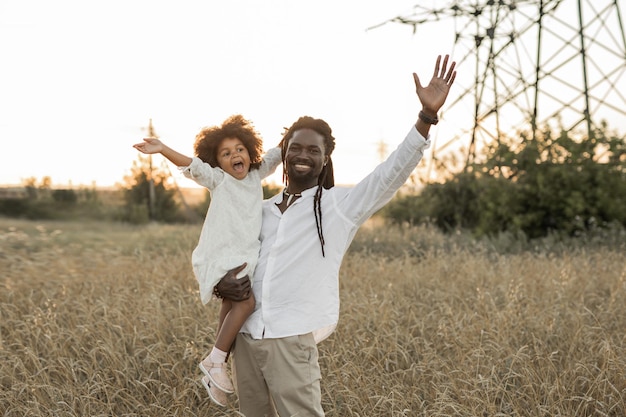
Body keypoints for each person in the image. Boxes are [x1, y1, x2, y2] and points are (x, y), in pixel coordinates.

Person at [212, 54, 457, 416]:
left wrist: (426, 118)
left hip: (291, 340)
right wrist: (221, 284)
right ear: (284, 152)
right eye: (295, 147)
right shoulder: (258, 209)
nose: (302, 155)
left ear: (324, 159)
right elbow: (226, 254)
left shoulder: (338, 207)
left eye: (314, 150)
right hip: (246, 338)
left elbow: (389, 174)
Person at [132, 115, 282, 407]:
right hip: (222, 254)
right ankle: (216, 360)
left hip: (242, 255)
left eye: (239, 149)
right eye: (225, 154)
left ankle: (216, 366)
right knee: (247, 303)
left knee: (232, 304)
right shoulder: (220, 180)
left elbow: (275, 157)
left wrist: (291, 136)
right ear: (218, 162)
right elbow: (192, 166)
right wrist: (162, 148)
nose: (234, 155)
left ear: (250, 152)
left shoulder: (255, 174)